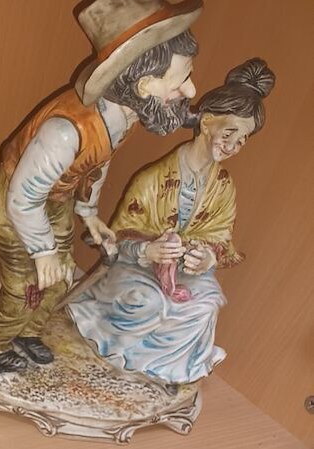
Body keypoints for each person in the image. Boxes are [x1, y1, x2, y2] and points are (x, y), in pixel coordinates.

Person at [0, 0, 202, 372]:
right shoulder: (66, 132)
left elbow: (97, 163)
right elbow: (23, 197)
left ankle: (28, 332)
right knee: (25, 285)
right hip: (18, 201)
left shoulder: (124, 115)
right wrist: (42, 250)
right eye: (180, 82)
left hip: (58, 197)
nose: (190, 91)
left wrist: (88, 213)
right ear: (144, 85)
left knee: (62, 274)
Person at [68, 59, 274, 385]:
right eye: (229, 133)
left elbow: (220, 237)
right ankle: (115, 356)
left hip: (183, 273)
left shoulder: (223, 187)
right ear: (206, 122)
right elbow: (119, 236)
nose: (233, 146)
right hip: (136, 268)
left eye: (243, 140)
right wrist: (147, 251)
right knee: (146, 303)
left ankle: (161, 371)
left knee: (206, 304)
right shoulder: (153, 179)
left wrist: (207, 257)